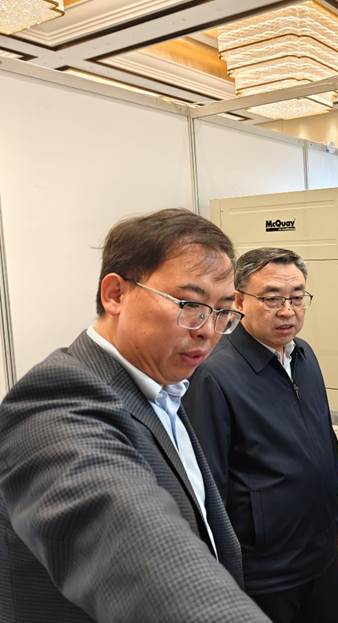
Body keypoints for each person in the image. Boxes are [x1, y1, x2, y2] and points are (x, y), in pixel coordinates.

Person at [0, 209, 270, 622]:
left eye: (222, 312)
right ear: (115, 294)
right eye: (190, 304)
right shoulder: (55, 402)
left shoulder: (164, 387)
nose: (207, 330)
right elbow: (134, 544)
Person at [183, 248, 338, 623]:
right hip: (266, 572)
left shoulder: (304, 355)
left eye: (297, 297)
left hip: (322, 554)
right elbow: (209, 487)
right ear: (239, 301)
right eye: (272, 298)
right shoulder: (214, 375)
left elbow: (324, 446)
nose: (287, 311)